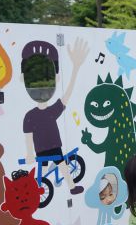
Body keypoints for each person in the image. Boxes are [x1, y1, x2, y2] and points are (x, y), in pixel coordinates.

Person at [21, 39, 89, 195]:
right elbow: (28, 137)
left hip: (53, 147)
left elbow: (68, 94)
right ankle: (32, 189)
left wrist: (76, 68)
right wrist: (30, 153)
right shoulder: (30, 116)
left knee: (61, 166)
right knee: (46, 170)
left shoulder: (50, 111)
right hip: (43, 150)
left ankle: (71, 188)